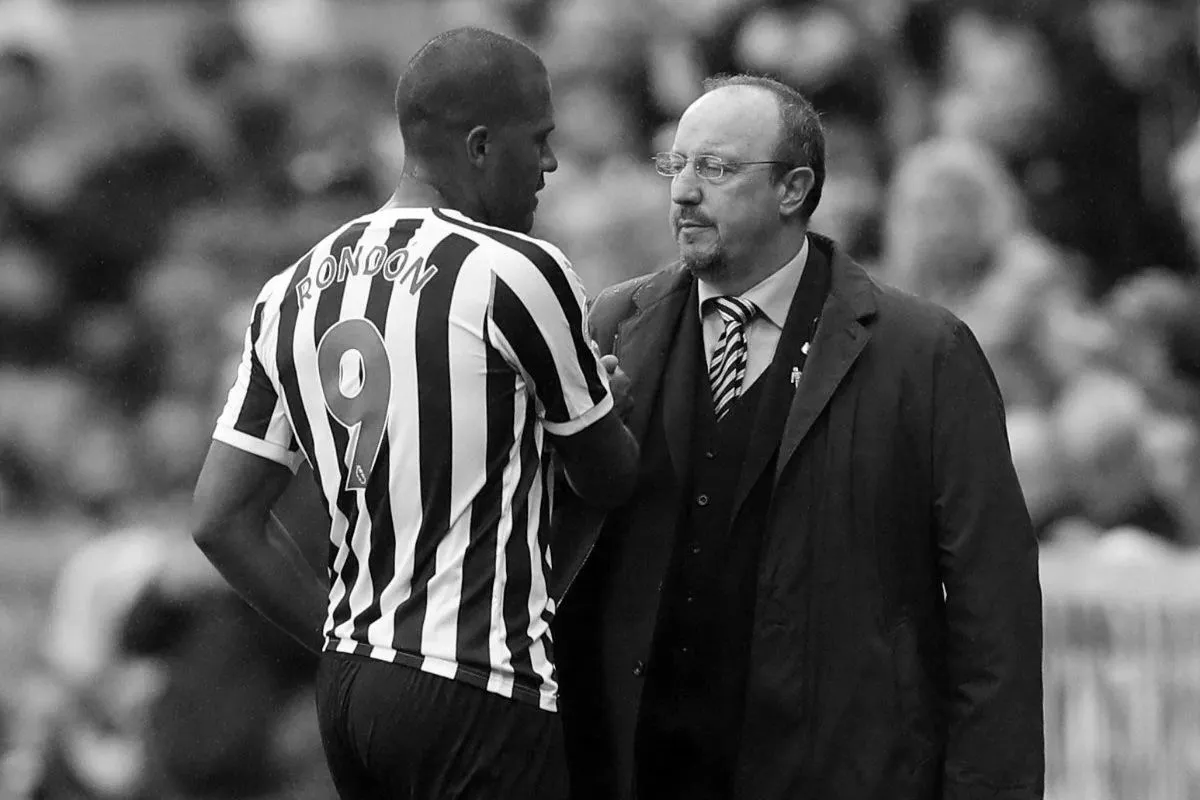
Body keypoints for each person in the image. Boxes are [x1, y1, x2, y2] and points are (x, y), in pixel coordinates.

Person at [552, 74, 1045, 800]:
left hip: (842, 769)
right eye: (675, 165)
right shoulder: (614, 325)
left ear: (795, 189)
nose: (683, 191)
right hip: (646, 768)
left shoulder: (924, 353)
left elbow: (992, 607)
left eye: (715, 168)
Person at [190, 27, 639, 800]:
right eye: (538, 140)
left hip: (351, 696)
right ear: (477, 145)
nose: (551, 165)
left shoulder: (289, 290)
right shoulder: (515, 270)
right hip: (477, 680)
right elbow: (609, 477)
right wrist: (610, 407)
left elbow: (219, 519)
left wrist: (340, 644)